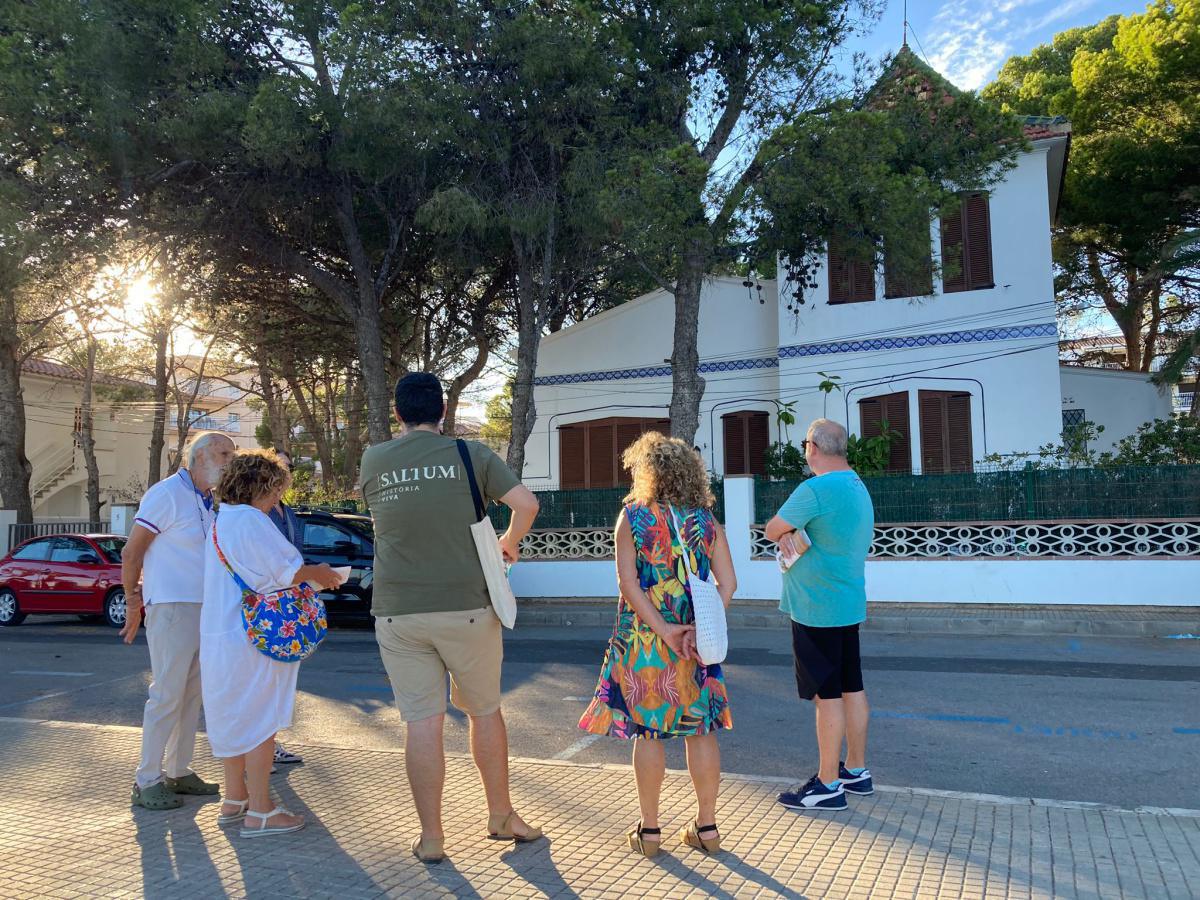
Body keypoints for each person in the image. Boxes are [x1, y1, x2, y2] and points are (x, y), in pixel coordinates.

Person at [358, 372, 542, 864]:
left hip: (397, 612)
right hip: (466, 608)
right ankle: (501, 816)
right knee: (484, 712)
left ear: (397, 413)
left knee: (422, 725)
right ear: (443, 411)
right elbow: (526, 505)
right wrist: (510, 542)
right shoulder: (472, 454)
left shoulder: (373, 460)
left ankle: (433, 838)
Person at [578, 434, 737, 856]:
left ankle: (649, 832)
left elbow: (627, 584)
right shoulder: (706, 519)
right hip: (696, 645)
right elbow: (730, 583)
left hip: (646, 641)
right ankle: (707, 828)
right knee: (700, 732)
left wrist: (667, 631)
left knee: (648, 735)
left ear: (645, 471)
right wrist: (700, 629)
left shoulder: (633, 516)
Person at [201, 450, 341, 836]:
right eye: (277, 489)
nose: (279, 498)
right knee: (260, 720)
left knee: (232, 716)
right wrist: (323, 574)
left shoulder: (222, 520)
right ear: (263, 486)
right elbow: (288, 573)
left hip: (223, 633)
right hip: (255, 638)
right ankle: (261, 810)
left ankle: (235, 799)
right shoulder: (252, 520)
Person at [121, 431, 236, 810]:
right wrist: (133, 601)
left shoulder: (205, 500)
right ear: (200, 456)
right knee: (166, 694)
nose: (229, 461)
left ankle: (178, 770)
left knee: (190, 696)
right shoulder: (166, 494)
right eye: (224, 453)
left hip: (202, 608)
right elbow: (132, 552)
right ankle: (147, 779)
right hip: (171, 606)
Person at [765, 419, 876, 812]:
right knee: (852, 687)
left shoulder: (815, 488)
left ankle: (828, 783)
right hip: (846, 601)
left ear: (812, 447)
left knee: (825, 695)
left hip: (816, 607)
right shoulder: (856, 485)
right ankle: (855, 770)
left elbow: (772, 528)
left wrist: (787, 537)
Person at [266, 449, 304, 768]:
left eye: (289, 468)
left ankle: (270, 741)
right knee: (266, 678)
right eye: (280, 467)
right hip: (266, 603)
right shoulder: (256, 514)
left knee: (282, 677)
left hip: (289, 601)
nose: (285, 473)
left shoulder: (287, 512)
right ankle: (262, 745)